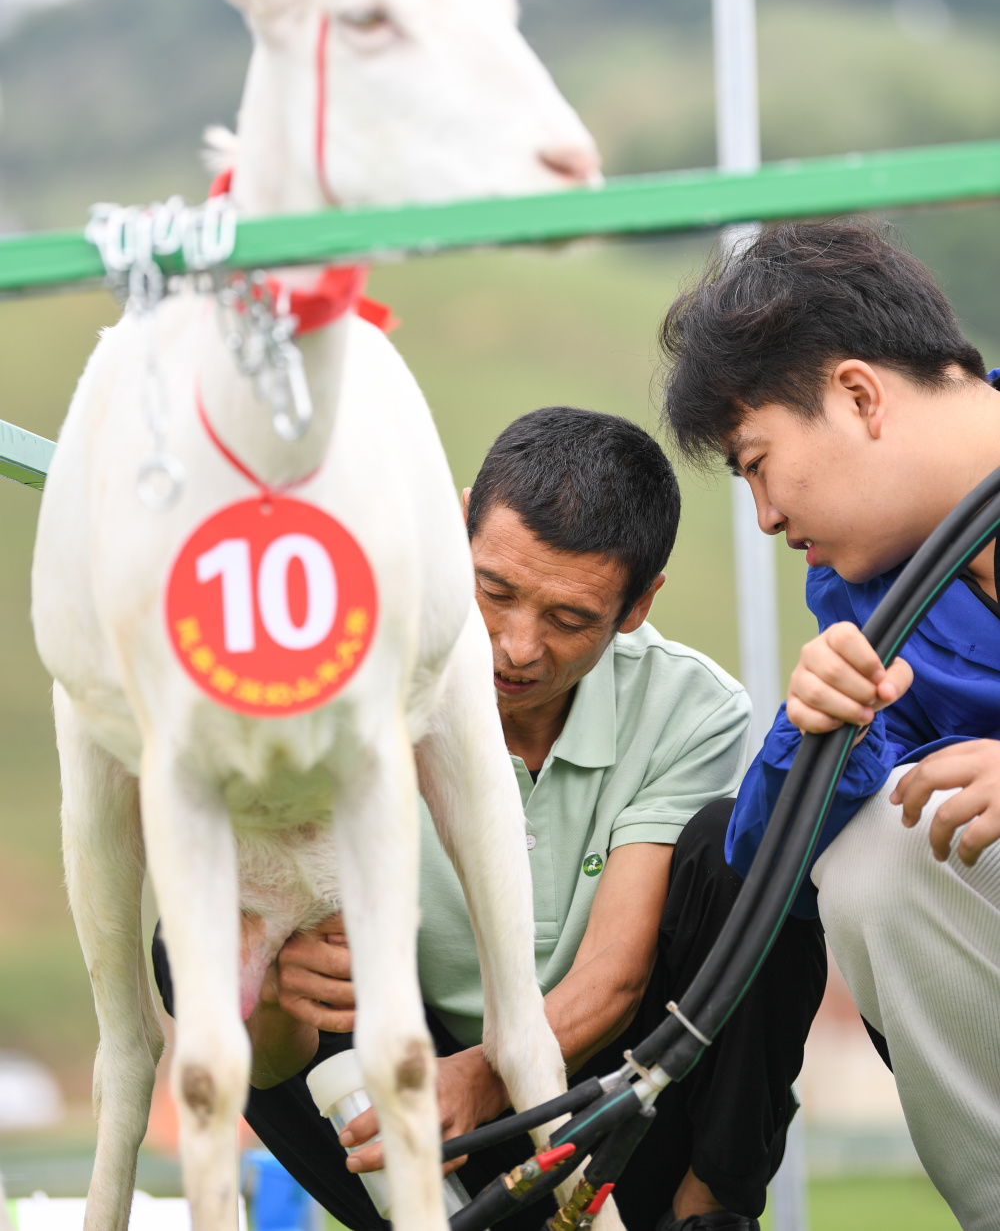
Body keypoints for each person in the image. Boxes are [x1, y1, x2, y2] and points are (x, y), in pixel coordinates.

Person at [152, 407, 826, 1231]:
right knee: (190, 940)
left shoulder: (694, 708)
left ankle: (709, 1209)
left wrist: (482, 1076)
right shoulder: (350, 684)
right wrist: (284, 987)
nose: (516, 646)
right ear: (456, 526)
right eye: (494, 590)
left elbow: (616, 973)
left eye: (569, 619)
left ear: (639, 604)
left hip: (605, 1102)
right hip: (410, 1098)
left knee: (744, 856)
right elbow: (274, 1058)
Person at [660, 217, 1000, 1231]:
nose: (762, 515)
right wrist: (817, 734)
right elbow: (765, 873)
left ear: (856, 395)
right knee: (871, 864)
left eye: (756, 461)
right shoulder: (859, 597)